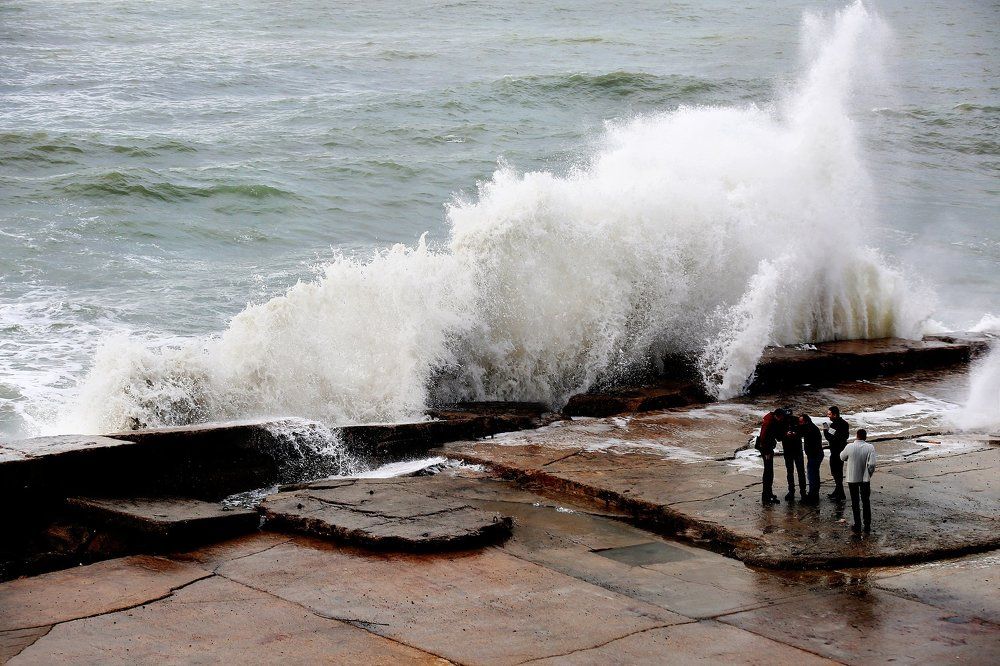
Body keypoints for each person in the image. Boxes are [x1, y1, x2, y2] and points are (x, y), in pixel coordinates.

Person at [840, 428, 876, 533]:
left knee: (855, 502)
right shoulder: (870, 447)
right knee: (866, 501)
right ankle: (867, 524)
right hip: (865, 478)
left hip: (852, 477)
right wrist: (869, 473)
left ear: (856, 435)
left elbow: (842, 457)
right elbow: (872, 464)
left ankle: (857, 524)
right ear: (865, 437)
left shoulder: (849, 446)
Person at [756, 408, 786, 505]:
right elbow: (763, 437)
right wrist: (767, 451)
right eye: (782, 417)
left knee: (769, 472)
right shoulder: (769, 423)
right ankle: (766, 496)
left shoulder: (771, 420)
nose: (782, 419)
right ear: (778, 416)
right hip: (766, 449)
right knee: (768, 472)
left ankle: (768, 493)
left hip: (766, 448)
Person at [823, 406, 849, 500]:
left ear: (835, 414)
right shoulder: (845, 424)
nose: (828, 416)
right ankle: (837, 491)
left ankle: (841, 493)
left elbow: (830, 437)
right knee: (838, 472)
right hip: (841, 451)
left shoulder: (835, 425)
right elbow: (845, 436)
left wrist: (825, 429)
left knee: (835, 472)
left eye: (829, 414)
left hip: (835, 451)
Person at [798, 414, 824, 504]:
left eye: (801, 422)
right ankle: (814, 494)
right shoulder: (811, 427)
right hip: (816, 454)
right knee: (814, 474)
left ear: (805, 421)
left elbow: (801, 433)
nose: (799, 423)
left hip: (814, 455)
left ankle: (813, 495)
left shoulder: (810, 429)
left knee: (812, 475)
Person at [781, 414, 806, 501]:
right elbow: (779, 436)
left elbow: (803, 431)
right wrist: (785, 434)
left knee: (799, 471)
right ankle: (792, 491)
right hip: (789, 450)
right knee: (791, 471)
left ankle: (802, 491)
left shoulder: (796, 421)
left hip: (796, 449)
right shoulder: (782, 421)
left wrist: (796, 434)